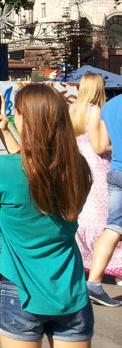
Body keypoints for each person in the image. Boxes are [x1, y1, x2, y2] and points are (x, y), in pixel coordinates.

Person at [0, 84, 94, 347]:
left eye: (17, 113)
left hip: (19, 290)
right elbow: (34, 169)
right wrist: (4, 132)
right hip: (69, 290)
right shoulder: (77, 167)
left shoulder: (4, 169)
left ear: (26, 121)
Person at [70, 74, 122, 285]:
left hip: (78, 164)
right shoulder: (95, 111)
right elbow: (99, 147)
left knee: (84, 216)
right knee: (108, 220)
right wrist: (115, 145)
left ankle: (84, 263)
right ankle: (114, 267)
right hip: (97, 166)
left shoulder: (72, 109)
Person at [87, 92, 122, 307]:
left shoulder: (109, 106)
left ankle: (94, 282)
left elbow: (101, 144)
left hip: (116, 171)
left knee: (114, 227)